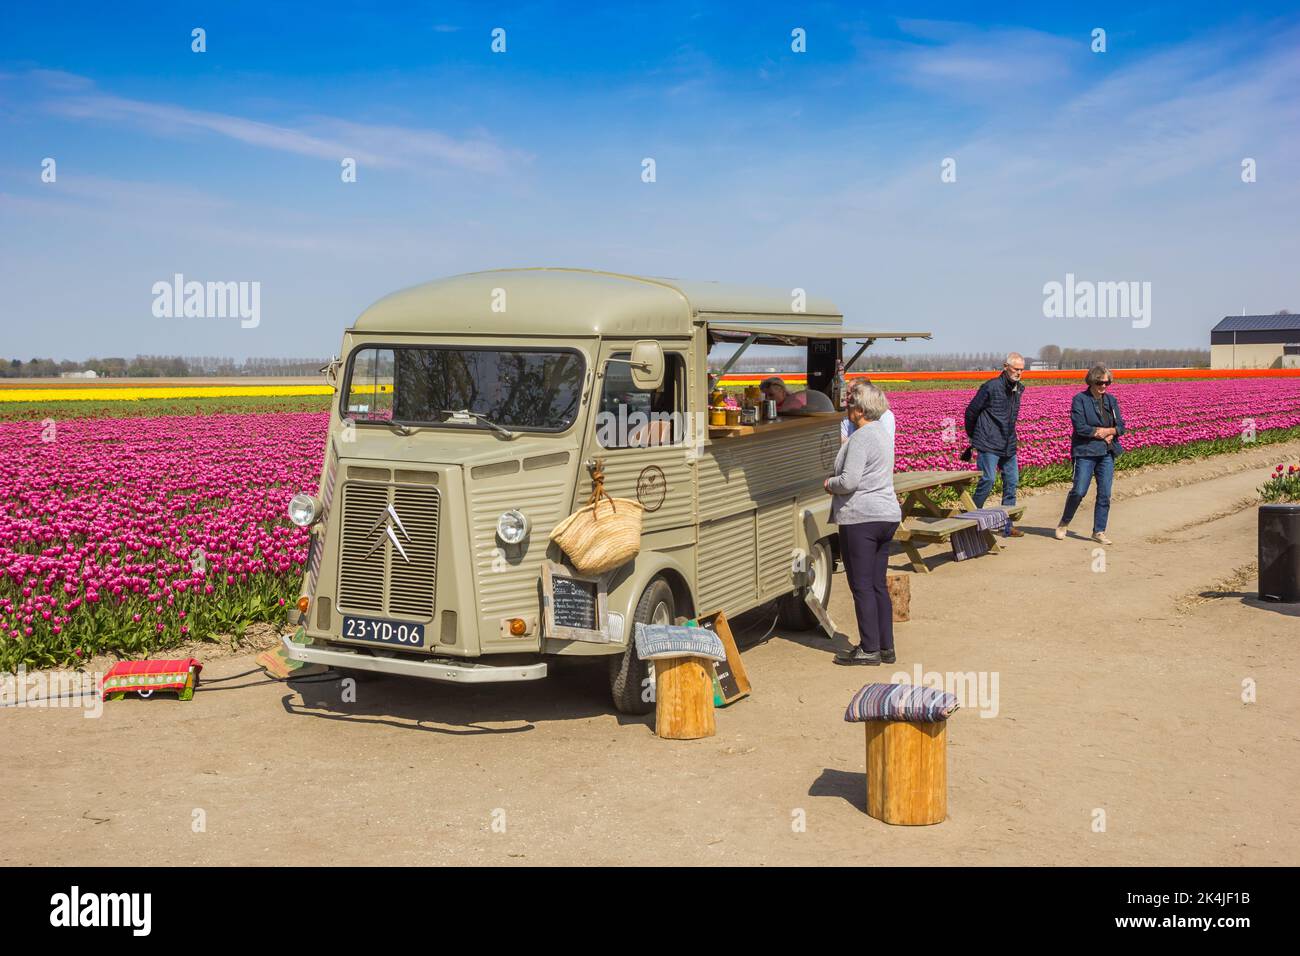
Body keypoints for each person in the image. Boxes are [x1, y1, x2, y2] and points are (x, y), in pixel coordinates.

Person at [824, 382, 902, 666]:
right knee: (878, 584)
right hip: (887, 514)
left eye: (849, 404)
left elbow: (849, 481)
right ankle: (885, 647)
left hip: (862, 518)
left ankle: (869, 648)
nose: (846, 408)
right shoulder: (882, 433)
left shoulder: (860, 437)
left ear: (860, 409)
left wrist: (829, 484)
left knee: (862, 585)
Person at [1056, 364, 1125, 546]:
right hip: (1085, 451)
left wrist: (1111, 431)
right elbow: (1080, 427)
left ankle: (1099, 531)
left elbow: (1121, 427)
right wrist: (1100, 433)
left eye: (1107, 382)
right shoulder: (1080, 400)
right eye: (1100, 382)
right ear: (1092, 381)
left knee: (1104, 493)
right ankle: (1064, 522)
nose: (1104, 386)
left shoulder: (1111, 401)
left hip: (1106, 453)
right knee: (1079, 491)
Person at [963, 352, 1025, 536]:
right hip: (988, 442)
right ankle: (971, 519)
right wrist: (973, 436)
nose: (1019, 373)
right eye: (1016, 369)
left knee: (1012, 481)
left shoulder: (1019, 388)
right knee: (988, 480)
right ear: (1006, 367)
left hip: (1008, 443)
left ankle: (1006, 524)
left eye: (1022, 369)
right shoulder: (990, 387)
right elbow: (971, 411)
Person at [841, 377, 895, 443]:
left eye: (850, 393)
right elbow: (840, 439)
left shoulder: (885, 415)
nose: (846, 397)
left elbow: (883, 443)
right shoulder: (848, 415)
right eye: (846, 393)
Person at [760, 376, 835, 413]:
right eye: (765, 395)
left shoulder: (792, 402)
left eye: (771, 395)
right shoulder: (770, 406)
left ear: (782, 391)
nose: (767, 399)